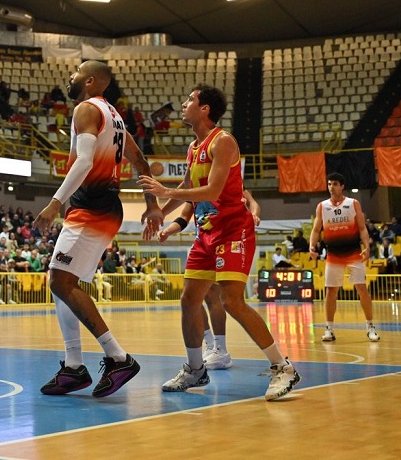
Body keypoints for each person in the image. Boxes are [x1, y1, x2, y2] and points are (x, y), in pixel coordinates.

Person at [139, 84, 300, 401]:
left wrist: (165, 193)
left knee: (231, 300)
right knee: (189, 299)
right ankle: (195, 370)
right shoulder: (193, 147)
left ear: (205, 109)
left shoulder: (223, 142)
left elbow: (212, 192)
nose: (184, 104)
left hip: (233, 231)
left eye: (190, 100)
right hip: (206, 233)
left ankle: (284, 368)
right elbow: (187, 186)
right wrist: (159, 211)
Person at [33, 60, 163, 398]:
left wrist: (55, 203)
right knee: (61, 281)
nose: (70, 76)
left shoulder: (86, 109)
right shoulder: (116, 118)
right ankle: (74, 366)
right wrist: (151, 205)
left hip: (92, 204)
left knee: (60, 280)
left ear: (91, 81)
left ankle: (118, 357)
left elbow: (86, 162)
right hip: (102, 205)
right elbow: (140, 162)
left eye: (76, 72)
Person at [155, 190, 261, 372]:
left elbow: (253, 203)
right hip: (204, 242)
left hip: (227, 241)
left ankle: (221, 349)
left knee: (216, 296)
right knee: (192, 298)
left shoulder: (228, 183)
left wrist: (254, 215)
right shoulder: (194, 188)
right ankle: (210, 344)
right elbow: (183, 218)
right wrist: (167, 231)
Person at [308, 172, 380, 343]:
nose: (331, 187)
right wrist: (311, 246)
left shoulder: (353, 204)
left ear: (342, 186)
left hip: (353, 253)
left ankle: (370, 326)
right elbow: (316, 230)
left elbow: (362, 228)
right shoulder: (322, 206)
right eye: (329, 184)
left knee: (362, 289)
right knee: (331, 291)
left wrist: (367, 247)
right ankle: (329, 329)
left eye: (334, 184)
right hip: (333, 255)